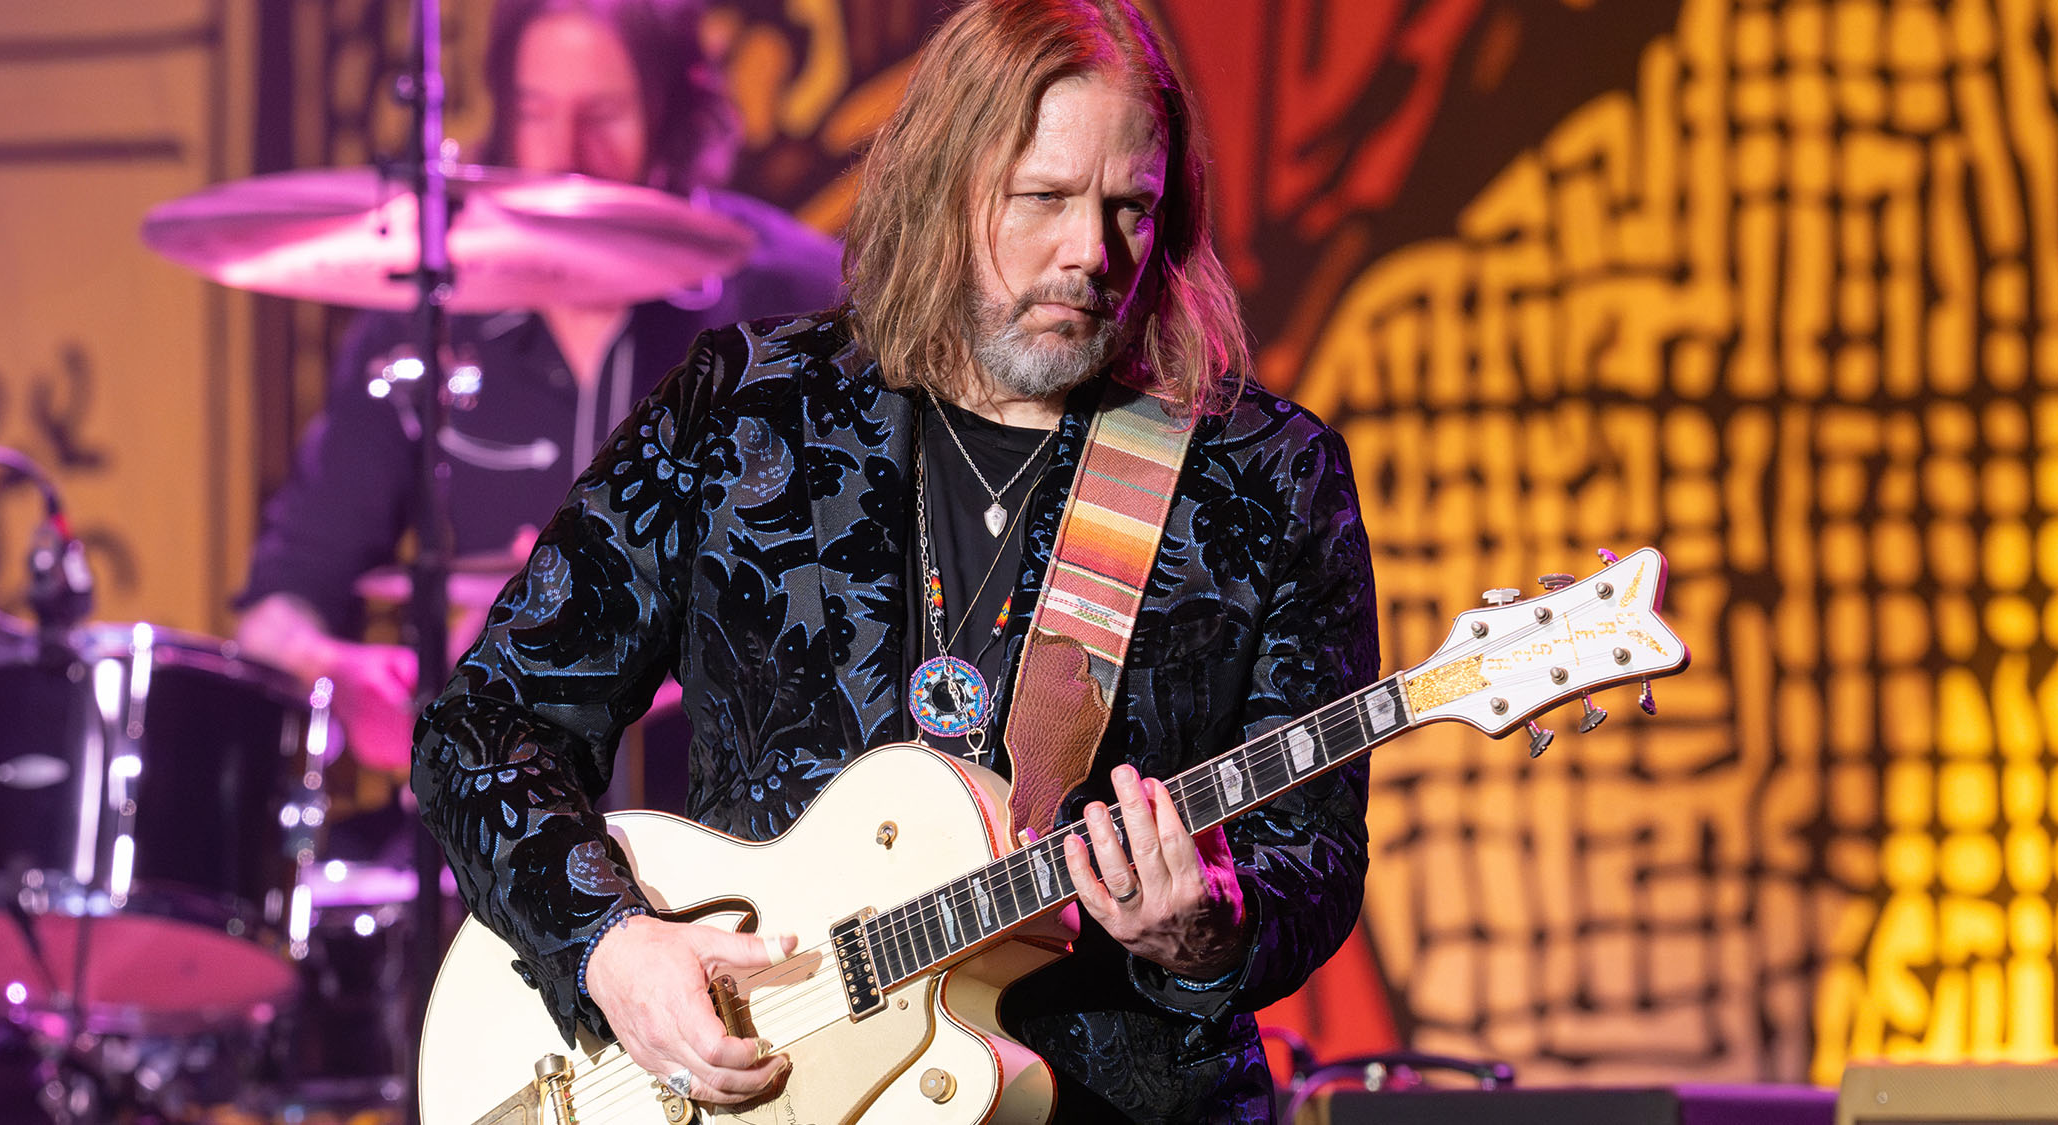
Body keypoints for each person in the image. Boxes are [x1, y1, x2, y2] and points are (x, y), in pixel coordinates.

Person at [413, 0, 1376, 1121]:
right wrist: (611, 946)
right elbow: (484, 725)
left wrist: (1210, 931)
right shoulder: (748, 410)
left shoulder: (1263, 476)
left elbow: (1314, 855)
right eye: (1044, 198)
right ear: (943, 183)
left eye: (1131, 208)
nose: (1091, 253)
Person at [236, 0, 844, 775]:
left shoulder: (795, 302)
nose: (567, 154)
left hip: (735, 807)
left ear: (672, 111)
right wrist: (331, 670)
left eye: (604, 115)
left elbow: (884, 581)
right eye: (535, 112)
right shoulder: (426, 314)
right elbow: (278, 601)